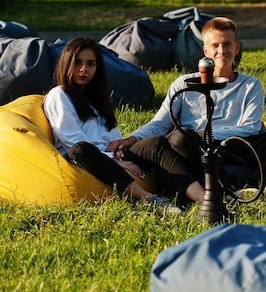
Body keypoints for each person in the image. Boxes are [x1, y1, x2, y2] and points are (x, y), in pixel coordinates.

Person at [119, 17, 266, 191]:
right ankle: (234, 182)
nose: (221, 50)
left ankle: (256, 182)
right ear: (205, 51)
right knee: (180, 136)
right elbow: (159, 124)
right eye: (214, 46)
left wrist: (206, 133)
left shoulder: (251, 85)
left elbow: (251, 127)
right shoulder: (184, 83)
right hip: (196, 148)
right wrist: (133, 138)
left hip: (240, 146)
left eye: (227, 44)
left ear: (236, 48)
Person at [44, 37, 206, 213]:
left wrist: (119, 150)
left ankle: (204, 197)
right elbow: (71, 141)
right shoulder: (59, 95)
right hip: (87, 158)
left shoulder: (95, 97)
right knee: (80, 149)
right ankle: (151, 200)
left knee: (156, 143)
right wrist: (112, 161)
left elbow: (112, 134)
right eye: (78, 63)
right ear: (66, 63)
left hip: (111, 155)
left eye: (90, 64)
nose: (84, 69)